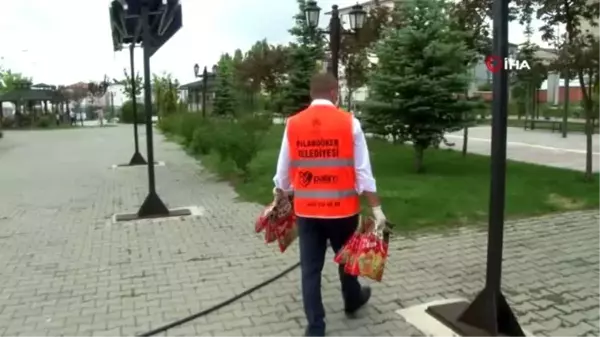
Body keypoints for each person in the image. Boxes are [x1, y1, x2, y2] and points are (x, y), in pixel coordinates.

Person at [273, 72, 387, 337]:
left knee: (310, 271)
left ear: (311, 94)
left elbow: (283, 173)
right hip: (343, 210)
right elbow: (363, 172)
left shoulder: (294, 124)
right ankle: (352, 299)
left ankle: (315, 328)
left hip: (308, 212)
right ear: (334, 93)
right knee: (347, 261)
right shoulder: (350, 124)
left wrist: (279, 198)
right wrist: (377, 208)